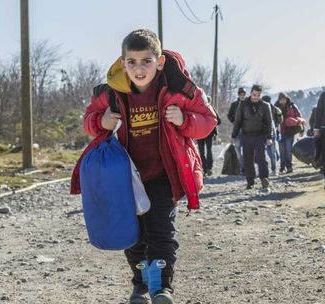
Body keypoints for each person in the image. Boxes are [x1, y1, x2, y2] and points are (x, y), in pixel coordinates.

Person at [70, 29, 217, 304]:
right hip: (125, 178)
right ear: (122, 62)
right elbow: (88, 119)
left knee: (161, 230)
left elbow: (208, 121)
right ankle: (141, 286)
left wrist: (184, 119)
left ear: (159, 61)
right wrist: (100, 122)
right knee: (133, 233)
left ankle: (161, 287)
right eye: (132, 61)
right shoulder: (111, 92)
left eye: (146, 61)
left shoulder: (178, 86)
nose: (139, 68)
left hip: (163, 174)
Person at [231, 85, 273, 190]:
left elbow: (269, 123)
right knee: (248, 159)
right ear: (251, 93)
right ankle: (250, 181)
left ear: (260, 95)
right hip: (247, 136)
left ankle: (264, 178)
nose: (256, 97)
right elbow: (237, 121)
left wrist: (269, 137)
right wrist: (234, 135)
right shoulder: (243, 105)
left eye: (258, 95)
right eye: (254, 95)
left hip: (260, 135)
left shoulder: (265, 106)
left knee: (261, 157)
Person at [275, 92, 305, 174]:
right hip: (280, 131)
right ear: (279, 100)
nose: (283, 101)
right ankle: (282, 167)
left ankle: (289, 167)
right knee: (282, 150)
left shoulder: (292, 106)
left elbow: (299, 117)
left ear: (286, 99)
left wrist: (302, 129)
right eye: (281, 99)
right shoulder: (275, 107)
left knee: (288, 149)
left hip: (290, 131)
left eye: (284, 99)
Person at [197, 96, 221, 177]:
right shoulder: (211, 109)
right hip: (208, 132)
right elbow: (219, 121)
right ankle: (209, 168)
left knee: (202, 151)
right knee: (208, 150)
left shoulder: (197, 109)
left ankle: (204, 168)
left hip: (200, 132)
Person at [228, 87, 246, 174]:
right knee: (238, 149)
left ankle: (245, 168)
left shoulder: (249, 104)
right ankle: (241, 168)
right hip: (237, 130)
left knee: (246, 149)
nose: (242, 96)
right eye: (240, 94)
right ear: (238, 95)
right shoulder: (234, 104)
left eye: (243, 94)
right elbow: (229, 115)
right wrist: (234, 122)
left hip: (247, 130)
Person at [262, 95, 282, 175]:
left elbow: (280, 121)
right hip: (265, 133)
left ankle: (274, 170)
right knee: (270, 152)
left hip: (272, 133)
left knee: (272, 152)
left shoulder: (274, 109)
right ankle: (274, 167)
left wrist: (279, 115)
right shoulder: (261, 108)